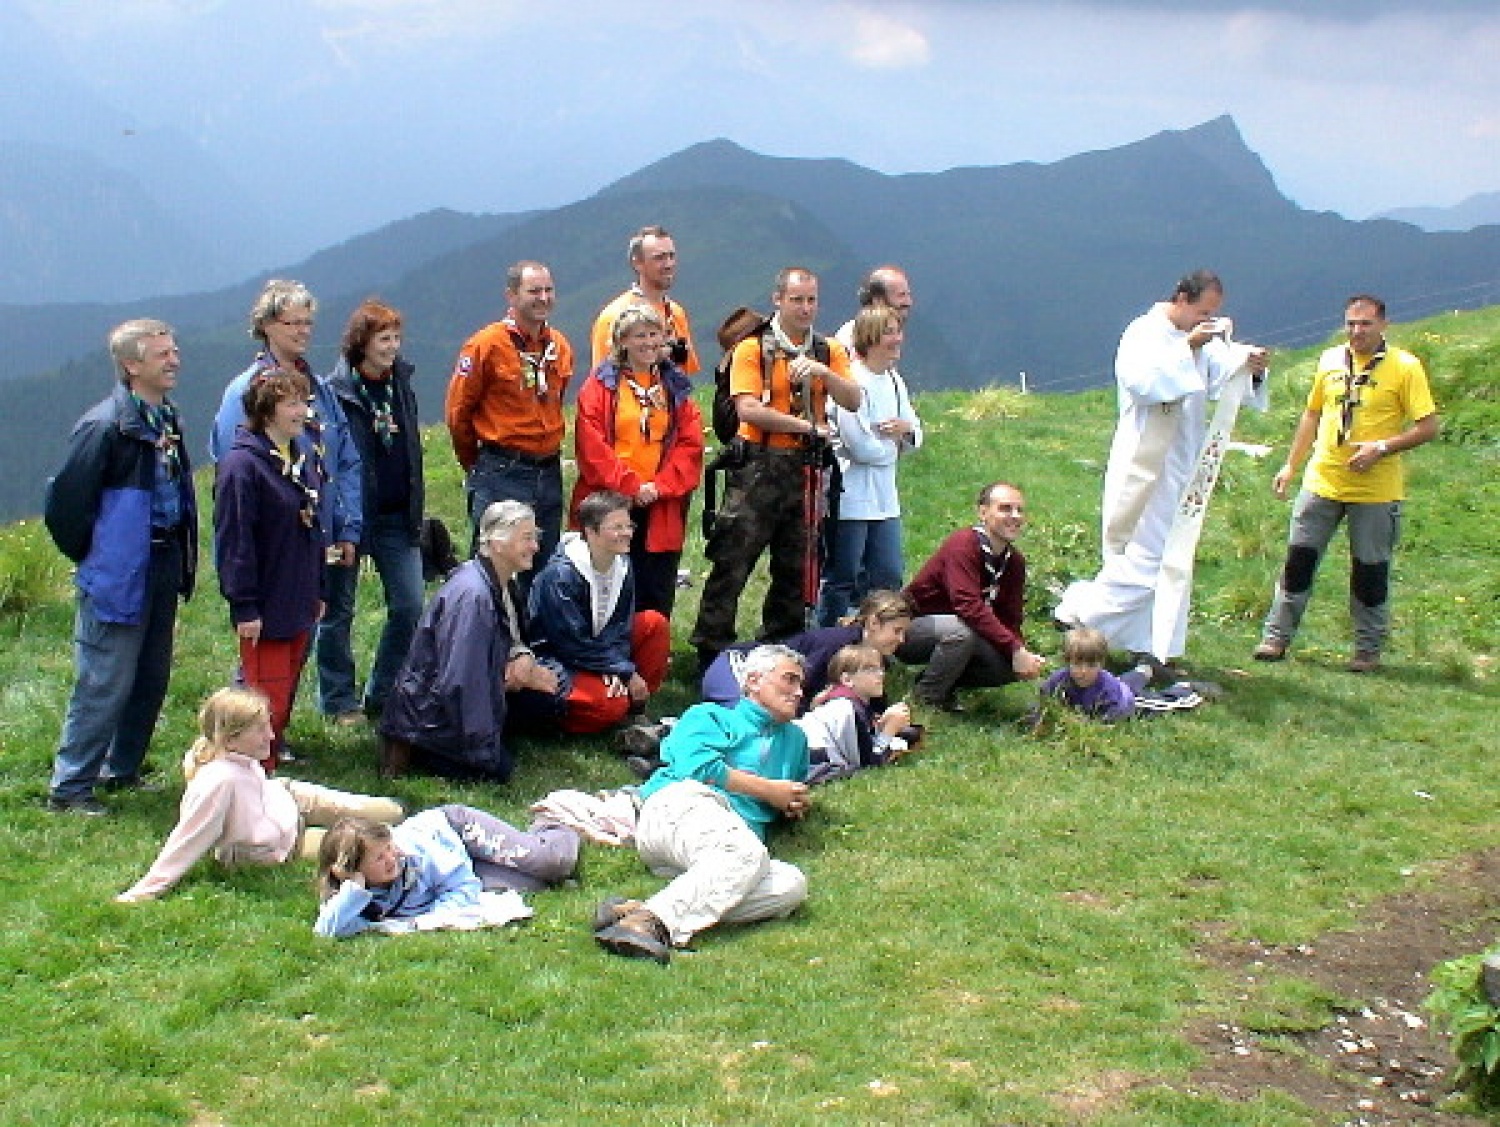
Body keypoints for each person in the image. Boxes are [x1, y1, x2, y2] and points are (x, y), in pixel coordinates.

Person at [1054, 270, 1268, 674]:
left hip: (1182, 462)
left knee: (1175, 557)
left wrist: (1250, 366)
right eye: (1203, 311)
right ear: (1182, 298)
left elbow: (1221, 375)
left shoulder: (1201, 340)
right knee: (1144, 560)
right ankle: (1080, 612)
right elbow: (1143, 384)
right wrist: (1188, 346)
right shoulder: (1144, 332)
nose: (1207, 320)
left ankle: (1152, 647)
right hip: (1145, 464)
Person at [43, 320, 198, 815]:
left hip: (163, 561)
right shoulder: (106, 427)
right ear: (131, 365)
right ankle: (70, 788)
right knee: (105, 678)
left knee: (150, 676)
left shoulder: (164, 418)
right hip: (120, 572)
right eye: (161, 354)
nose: (173, 360)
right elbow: (66, 507)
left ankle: (121, 768)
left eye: (174, 351)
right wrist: (99, 557)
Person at [1253, 294, 1440, 672]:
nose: (1357, 332)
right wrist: (1291, 466)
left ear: (1383, 325)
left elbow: (1428, 427)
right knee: (1298, 561)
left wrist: (1383, 448)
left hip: (1375, 490)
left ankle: (1367, 651)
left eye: (1365, 324)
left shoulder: (1405, 367)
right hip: (1322, 480)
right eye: (1351, 324)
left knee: (1370, 570)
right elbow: (1312, 413)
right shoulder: (1329, 360)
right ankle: (1275, 638)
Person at [592, 645, 812, 964]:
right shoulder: (709, 715)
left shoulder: (796, 741)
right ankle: (652, 924)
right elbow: (696, 769)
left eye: (801, 684)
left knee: (791, 885)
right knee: (746, 854)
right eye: (789, 680)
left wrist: (791, 805)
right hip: (679, 811)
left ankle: (639, 912)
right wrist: (769, 791)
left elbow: (788, 791)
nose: (798, 691)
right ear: (752, 681)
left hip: (724, 849)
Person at [689, 267, 862, 669]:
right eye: (797, 299)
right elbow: (748, 408)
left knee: (795, 563)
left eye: (812, 300)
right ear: (778, 300)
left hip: (807, 468)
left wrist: (822, 374)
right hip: (758, 466)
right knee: (733, 560)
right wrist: (808, 427)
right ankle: (711, 650)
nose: (805, 308)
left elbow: (853, 398)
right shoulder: (752, 349)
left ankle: (782, 650)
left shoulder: (828, 350)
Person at [116, 688, 404, 902]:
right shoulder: (217, 783)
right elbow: (187, 839)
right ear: (230, 739)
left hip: (290, 798)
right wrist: (145, 890)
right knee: (376, 846)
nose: (270, 736)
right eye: (260, 730)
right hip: (286, 844)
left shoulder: (237, 757)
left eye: (268, 725)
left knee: (390, 812)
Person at [208, 282, 362, 676]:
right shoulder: (245, 391)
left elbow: (344, 458)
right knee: (265, 650)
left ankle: (276, 731)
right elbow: (234, 471)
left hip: (316, 536)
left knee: (300, 641)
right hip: (272, 544)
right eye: (292, 322)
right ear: (266, 326)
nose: (302, 331)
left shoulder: (319, 389)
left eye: (308, 323)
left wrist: (347, 526)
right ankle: (247, 732)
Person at [378, 501, 563, 782]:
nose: (536, 546)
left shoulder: (502, 581)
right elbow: (461, 680)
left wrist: (522, 662)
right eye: (526, 538)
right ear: (497, 543)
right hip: (433, 718)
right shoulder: (474, 597)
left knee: (548, 702)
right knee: (497, 771)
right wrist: (482, 751)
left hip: (469, 695)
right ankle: (419, 750)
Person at [214, 369, 327, 770]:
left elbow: (313, 527)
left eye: (304, 402)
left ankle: (268, 773)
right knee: (263, 704)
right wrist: (244, 605)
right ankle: (246, 782)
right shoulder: (242, 466)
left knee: (280, 701)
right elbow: (235, 540)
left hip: (298, 597)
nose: (303, 412)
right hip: (265, 606)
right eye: (292, 404)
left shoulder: (300, 457)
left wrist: (320, 590)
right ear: (266, 412)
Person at [320, 300, 426, 724]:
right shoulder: (336, 392)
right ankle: (338, 699)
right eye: (384, 339)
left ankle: (382, 691)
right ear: (361, 343)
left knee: (409, 603)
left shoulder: (401, 385)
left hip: (399, 515)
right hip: (349, 517)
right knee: (337, 609)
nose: (393, 348)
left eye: (397, 339)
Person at [572, 304, 705, 618]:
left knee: (654, 593)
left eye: (655, 334)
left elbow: (691, 443)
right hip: (611, 502)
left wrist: (658, 487)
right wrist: (632, 487)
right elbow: (592, 447)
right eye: (640, 335)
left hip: (661, 505)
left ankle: (650, 661)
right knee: (604, 590)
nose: (649, 342)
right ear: (622, 342)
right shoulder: (599, 387)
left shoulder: (675, 388)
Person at [445, 261, 574, 567]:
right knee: (491, 567)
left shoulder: (559, 346)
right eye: (534, 291)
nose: (543, 298)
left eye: (548, 290)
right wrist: (477, 465)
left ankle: (530, 618)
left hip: (548, 471)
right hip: (502, 471)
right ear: (512, 296)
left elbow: (557, 399)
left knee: (541, 568)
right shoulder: (486, 345)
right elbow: (458, 412)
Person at [314, 806, 581, 938]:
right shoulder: (354, 894)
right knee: (536, 883)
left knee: (550, 864)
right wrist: (354, 889)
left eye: (389, 848)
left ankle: (555, 820)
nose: (391, 858)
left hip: (458, 832)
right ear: (350, 871)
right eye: (378, 858)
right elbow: (326, 931)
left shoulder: (414, 853)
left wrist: (433, 919)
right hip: (460, 864)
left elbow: (461, 885)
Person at [527, 491, 671, 734]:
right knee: (608, 706)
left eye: (629, 525)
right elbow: (570, 642)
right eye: (617, 527)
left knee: (654, 624)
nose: (627, 533)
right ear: (591, 532)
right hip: (558, 658)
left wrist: (618, 667)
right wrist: (623, 670)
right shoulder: (561, 575)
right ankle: (566, 719)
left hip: (596, 650)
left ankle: (635, 707)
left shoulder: (622, 564)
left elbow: (620, 625)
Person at [816, 304, 923, 626]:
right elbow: (859, 445)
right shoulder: (851, 382)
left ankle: (876, 641)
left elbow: (915, 430)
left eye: (898, 331)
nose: (897, 339)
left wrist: (904, 433)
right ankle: (829, 641)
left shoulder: (893, 380)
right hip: (850, 498)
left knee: (888, 574)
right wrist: (894, 447)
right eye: (889, 332)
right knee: (842, 577)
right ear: (870, 337)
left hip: (885, 500)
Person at [898, 481, 1046, 711]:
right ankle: (927, 696)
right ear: (983, 512)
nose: (1015, 516)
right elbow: (967, 605)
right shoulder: (964, 544)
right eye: (1005, 508)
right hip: (909, 627)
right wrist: (1014, 648)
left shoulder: (1014, 561)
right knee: (960, 632)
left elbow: (1011, 616)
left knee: (1008, 665)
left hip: (960, 629)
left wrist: (1019, 652)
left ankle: (943, 683)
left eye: (1020, 510)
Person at [702, 589, 915, 710]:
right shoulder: (836, 645)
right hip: (736, 668)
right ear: (873, 623)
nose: (902, 639)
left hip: (766, 682)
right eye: (897, 631)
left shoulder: (876, 658)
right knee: (751, 723)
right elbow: (797, 690)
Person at [796, 644, 917, 784]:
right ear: (847, 680)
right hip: (809, 755)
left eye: (880, 668)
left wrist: (883, 725)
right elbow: (870, 764)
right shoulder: (847, 708)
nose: (881, 674)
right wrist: (889, 730)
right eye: (871, 669)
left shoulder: (849, 702)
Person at [589, 225, 700, 374]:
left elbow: (685, 373)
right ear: (637, 263)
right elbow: (600, 381)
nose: (668, 264)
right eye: (659, 258)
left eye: (671, 256)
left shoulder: (676, 313)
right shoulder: (614, 316)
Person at [1036, 627, 1143, 724]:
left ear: (1101, 664)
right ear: (1067, 661)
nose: (1084, 671)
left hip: (1127, 700)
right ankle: (1144, 670)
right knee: (1132, 678)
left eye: (1091, 665)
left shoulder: (1108, 689)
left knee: (1148, 700)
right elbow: (1044, 696)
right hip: (1115, 685)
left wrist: (1089, 722)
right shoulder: (1060, 679)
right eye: (1077, 664)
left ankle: (1150, 668)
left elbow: (1112, 717)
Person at [834, 264, 915, 349]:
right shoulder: (851, 337)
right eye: (901, 295)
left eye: (908, 295)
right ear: (878, 301)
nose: (909, 302)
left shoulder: (890, 337)